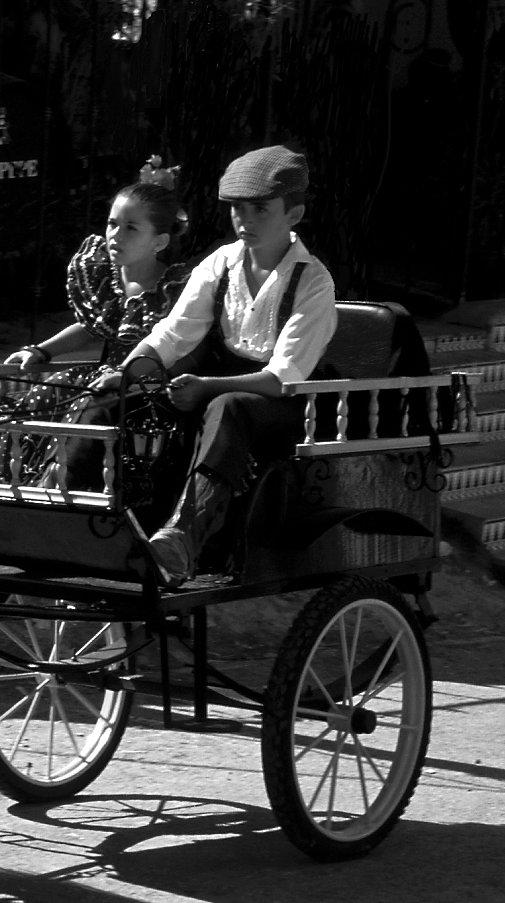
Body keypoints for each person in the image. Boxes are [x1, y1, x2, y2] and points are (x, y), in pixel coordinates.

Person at [116, 145, 338, 588]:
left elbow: (282, 378)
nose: (245, 220)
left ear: (294, 215)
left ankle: (183, 537)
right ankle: (84, 515)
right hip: (218, 389)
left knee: (231, 405)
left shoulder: (313, 281)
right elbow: (173, 334)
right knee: (120, 398)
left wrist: (205, 388)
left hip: (289, 408)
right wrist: (130, 371)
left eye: (260, 209)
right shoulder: (220, 264)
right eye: (238, 208)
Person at [0, 160, 191, 485]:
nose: (115, 236)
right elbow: (91, 327)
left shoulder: (174, 287)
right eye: (111, 224)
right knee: (47, 394)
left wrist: (130, 376)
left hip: (145, 387)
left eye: (130, 228)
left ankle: (54, 483)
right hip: (103, 379)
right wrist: (40, 351)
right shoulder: (105, 276)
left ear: (160, 242)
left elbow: (178, 349)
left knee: (85, 403)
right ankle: (8, 482)